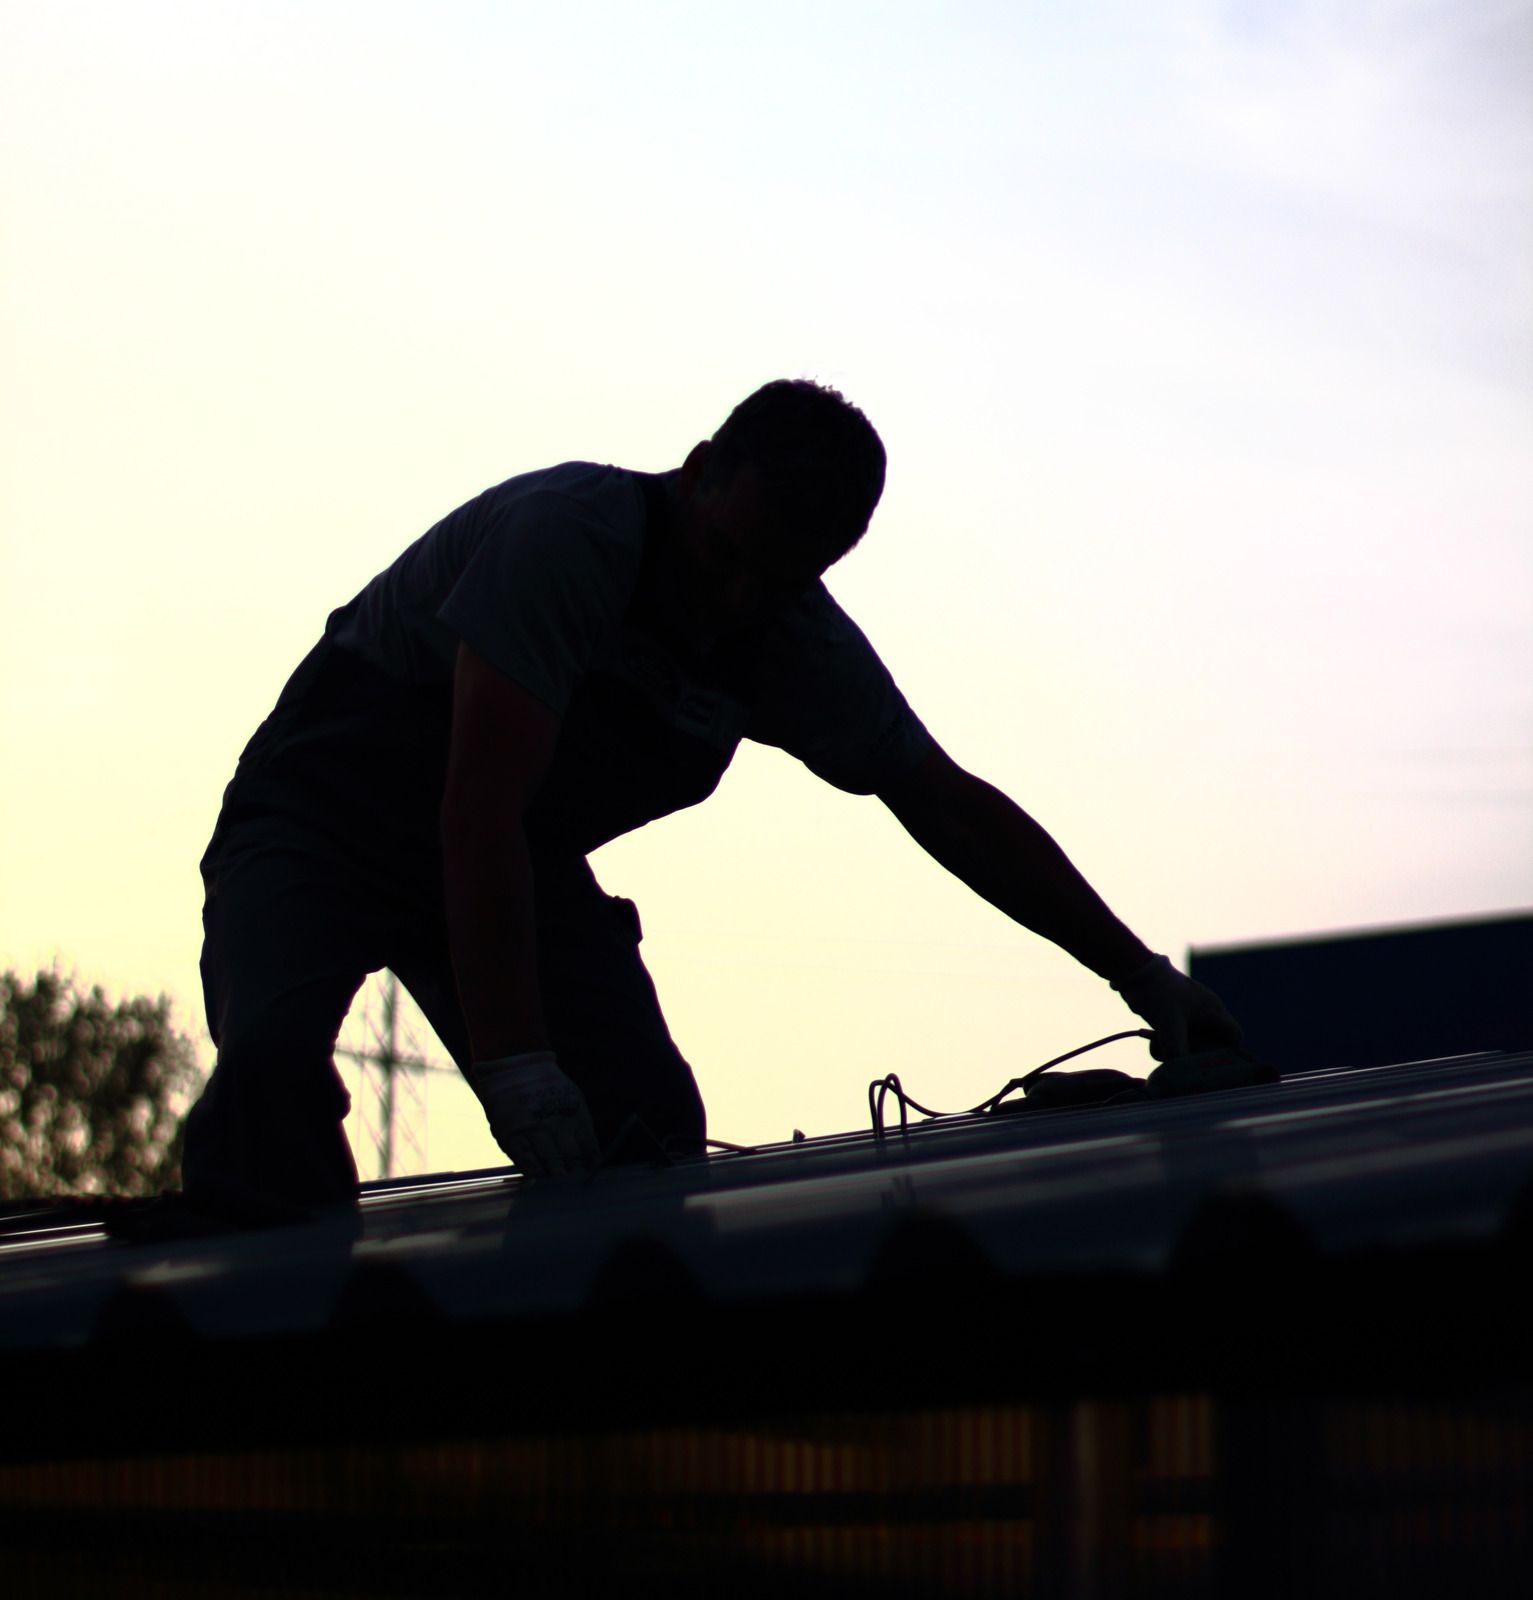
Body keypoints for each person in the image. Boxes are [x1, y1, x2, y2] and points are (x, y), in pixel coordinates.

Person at [181, 379, 1240, 1225]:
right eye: (726, 559)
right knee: (269, 1080)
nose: (732, 600)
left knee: (643, 1130)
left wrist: (1139, 976)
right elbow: (477, 809)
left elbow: (953, 810)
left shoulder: (791, 638)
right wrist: (516, 1063)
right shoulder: (568, 539)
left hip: (517, 865)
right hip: (322, 825)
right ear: (697, 475)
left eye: (775, 581)